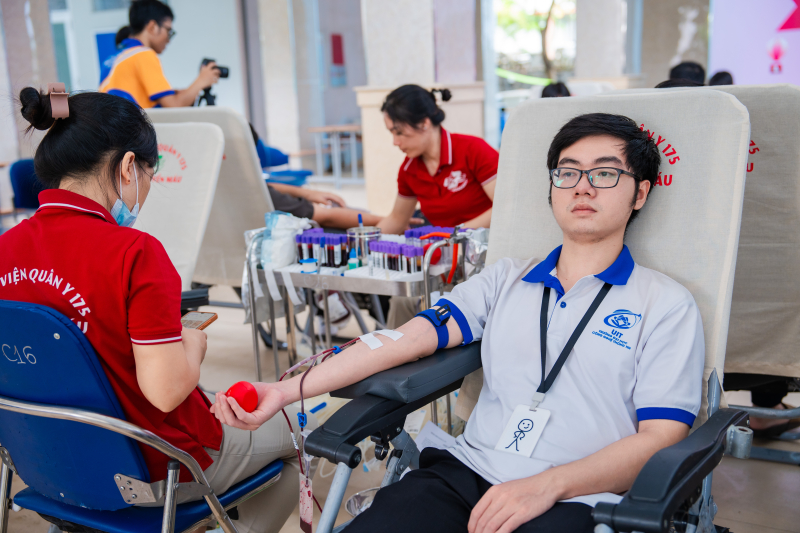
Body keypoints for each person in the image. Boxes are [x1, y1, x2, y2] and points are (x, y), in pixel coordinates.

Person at [213, 113, 704, 533]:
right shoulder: (506, 280)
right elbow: (404, 339)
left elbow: (661, 438)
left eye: (605, 174)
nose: (582, 186)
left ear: (640, 193)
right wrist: (286, 390)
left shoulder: (665, 304)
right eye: (568, 171)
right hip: (466, 473)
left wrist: (547, 485)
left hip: (580, 497)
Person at [4, 87, 315, 533]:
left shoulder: (6, 247)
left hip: (46, 462)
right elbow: (166, 393)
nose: (146, 190)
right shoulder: (134, 252)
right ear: (128, 166)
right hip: (155, 467)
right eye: (151, 175)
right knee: (302, 434)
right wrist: (193, 344)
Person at [377, 85, 499, 233]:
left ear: (424, 123)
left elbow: (505, 206)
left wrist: (455, 235)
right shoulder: (408, 170)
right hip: (447, 246)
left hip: (490, 243)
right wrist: (363, 239)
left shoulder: (473, 150)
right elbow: (397, 219)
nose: (395, 142)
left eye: (399, 132)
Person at [100, 0, 220, 108]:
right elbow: (174, 106)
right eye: (168, 31)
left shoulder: (115, 58)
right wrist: (202, 80)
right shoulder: (143, 54)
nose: (168, 39)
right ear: (152, 27)